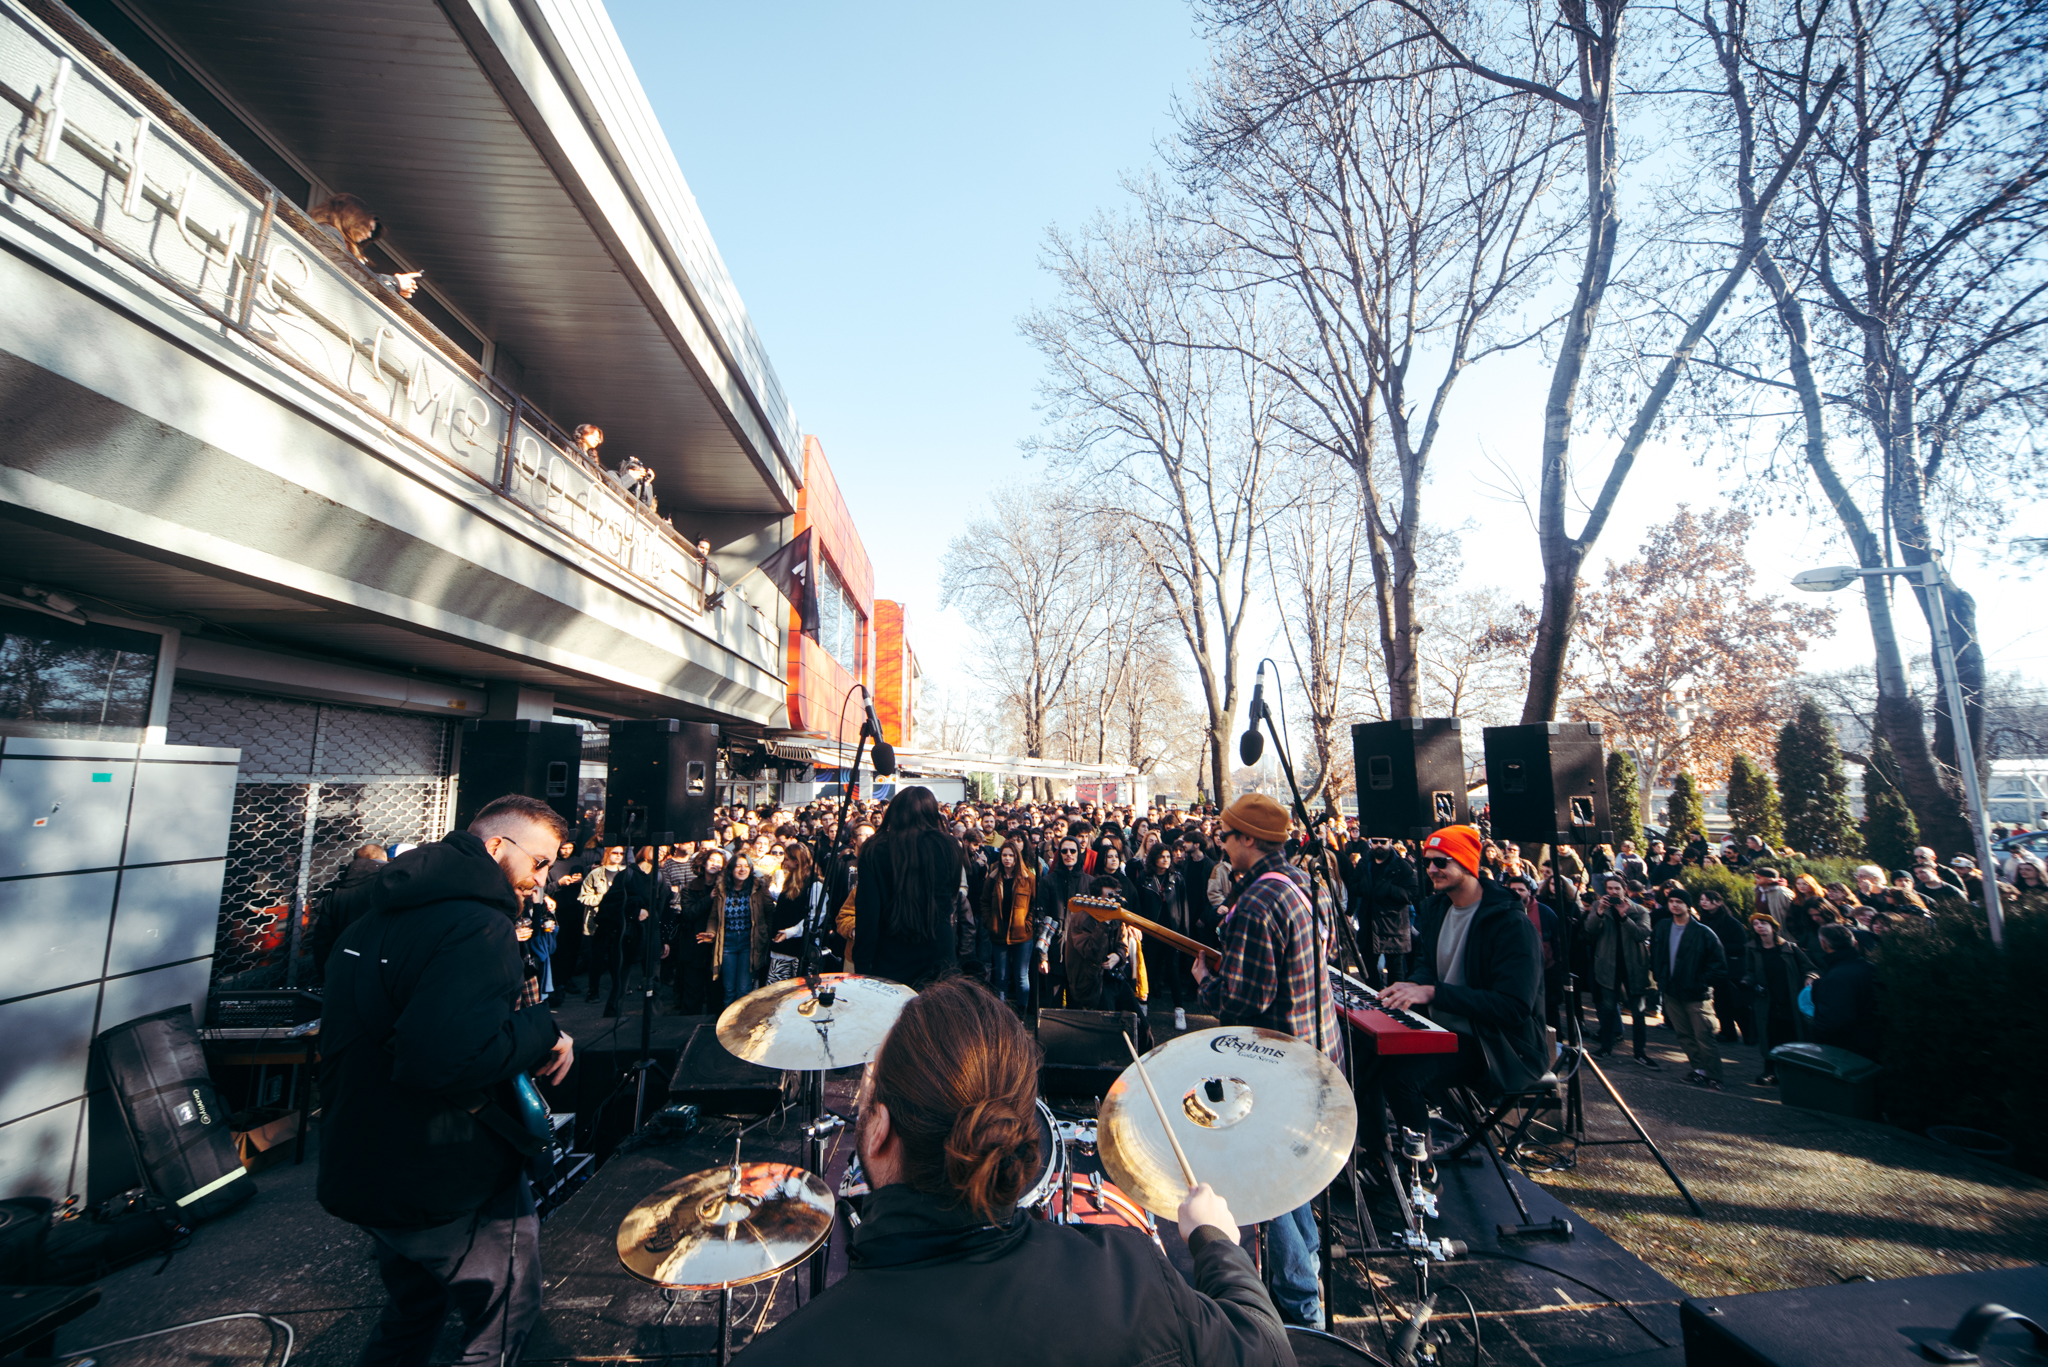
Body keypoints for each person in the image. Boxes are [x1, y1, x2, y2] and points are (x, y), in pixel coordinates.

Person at [738, 978, 1291, 1367]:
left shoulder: (794, 1351)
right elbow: (1266, 1349)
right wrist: (1214, 1240)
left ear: (878, 1130)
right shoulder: (1134, 1284)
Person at [318, 795, 575, 1367]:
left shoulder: (378, 912)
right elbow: (444, 1062)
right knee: (500, 1325)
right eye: (538, 862)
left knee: (412, 1315)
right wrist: (541, 1028)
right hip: (443, 1175)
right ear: (494, 848)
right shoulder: (477, 926)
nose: (542, 879)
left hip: (366, 1159)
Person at [1191, 792, 1342, 1330]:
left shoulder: (1258, 903)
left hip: (1280, 1070)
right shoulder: (1303, 884)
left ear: (1249, 839)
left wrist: (1206, 980)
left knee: (1270, 1186)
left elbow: (1242, 1003)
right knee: (1297, 1184)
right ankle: (1308, 1287)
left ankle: (1303, 1319)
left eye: (1227, 836)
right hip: (1318, 1054)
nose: (1222, 844)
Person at [1378, 824, 1547, 1151]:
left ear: (1467, 864)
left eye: (1441, 862)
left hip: (1498, 1045)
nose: (1431, 870)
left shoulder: (1510, 923)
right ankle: (1377, 1155)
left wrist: (1433, 993)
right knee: (1370, 1057)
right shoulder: (1436, 909)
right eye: (1428, 861)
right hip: (1447, 1030)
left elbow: (1513, 1007)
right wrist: (1411, 985)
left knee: (1401, 1078)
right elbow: (1428, 963)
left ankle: (1423, 1177)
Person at [854, 786, 963, 986]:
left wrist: (862, 967)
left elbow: (867, 914)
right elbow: (951, 898)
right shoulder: (948, 846)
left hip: (890, 959)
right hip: (939, 956)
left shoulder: (874, 849)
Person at [1650, 889, 1731, 1089]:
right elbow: (1655, 955)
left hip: (1696, 994)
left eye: (1679, 901)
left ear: (1688, 905)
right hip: (1671, 991)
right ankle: (1699, 1070)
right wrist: (1660, 978)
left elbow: (1719, 966)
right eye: (1671, 901)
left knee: (1704, 1035)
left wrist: (1699, 981)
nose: (1675, 905)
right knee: (1684, 1035)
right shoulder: (1662, 927)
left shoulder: (1703, 932)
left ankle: (1714, 1075)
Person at [1581, 874, 1655, 1065]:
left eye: (1617, 888)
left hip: (1634, 966)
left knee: (1638, 1012)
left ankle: (1640, 1052)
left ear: (1625, 889)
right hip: (1608, 965)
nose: (1613, 892)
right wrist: (1600, 912)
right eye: (1610, 889)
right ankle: (1606, 1047)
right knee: (1607, 1009)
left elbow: (1642, 934)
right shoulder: (1599, 906)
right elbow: (1590, 929)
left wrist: (1624, 917)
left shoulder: (1638, 910)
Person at [1741, 914, 1817, 1084]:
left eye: (1763, 923)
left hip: (1789, 999)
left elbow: (1810, 968)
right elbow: (1750, 970)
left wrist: (1810, 977)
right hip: (1767, 1000)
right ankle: (1770, 1071)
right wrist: (1748, 981)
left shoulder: (1789, 948)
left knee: (1792, 1033)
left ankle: (1795, 1072)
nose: (1759, 926)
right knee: (1769, 1034)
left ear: (1773, 927)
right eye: (1755, 924)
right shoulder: (1752, 948)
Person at [309, 843, 389, 986]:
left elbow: (322, 940)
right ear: (384, 857)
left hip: (342, 969)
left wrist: (326, 976)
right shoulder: (390, 886)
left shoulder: (336, 892)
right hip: (381, 969)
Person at [1348, 835, 1417, 986]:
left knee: (1395, 971)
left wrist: (1389, 890)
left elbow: (1412, 893)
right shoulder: (1364, 862)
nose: (1379, 845)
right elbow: (1352, 885)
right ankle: (1374, 1003)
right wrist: (1363, 888)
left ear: (1390, 842)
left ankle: (1395, 1006)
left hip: (1393, 925)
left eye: (1383, 842)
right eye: (1375, 842)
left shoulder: (1401, 865)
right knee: (1369, 972)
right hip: (1368, 924)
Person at [1809, 923, 1882, 1059]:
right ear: (1854, 942)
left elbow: (1833, 1021)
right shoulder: (1870, 967)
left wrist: (1815, 1031)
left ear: (1823, 944)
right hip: (1873, 1042)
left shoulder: (1836, 977)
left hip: (1848, 1050)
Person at [982, 840, 1037, 1013]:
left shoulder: (1028, 878)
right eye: (1004, 855)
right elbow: (983, 902)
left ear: (1016, 857)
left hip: (1022, 933)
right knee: (1001, 976)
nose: (1007, 859)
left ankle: (1022, 1011)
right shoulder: (992, 878)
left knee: (1021, 976)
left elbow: (1035, 905)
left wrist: (1028, 924)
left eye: (1010, 855)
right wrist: (990, 922)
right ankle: (1002, 1013)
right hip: (999, 930)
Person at [1695, 890, 1752, 1045]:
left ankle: (1749, 1034)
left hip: (1732, 968)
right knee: (1720, 1003)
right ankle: (1727, 1032)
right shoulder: (1702, 921)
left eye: (1708, 900)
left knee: (1738, 1004)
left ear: (1718, 902)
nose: (1704, 902)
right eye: (1702, 899)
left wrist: (1719, 947)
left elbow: (1741, 945)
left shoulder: (1731, 922)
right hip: (1714, 967)